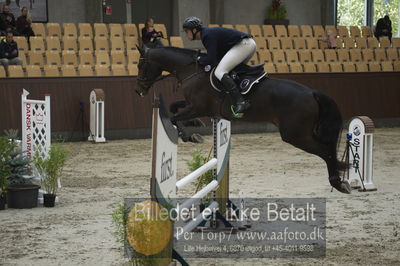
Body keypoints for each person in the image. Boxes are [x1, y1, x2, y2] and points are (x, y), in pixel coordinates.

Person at [182, 17, 255, 115]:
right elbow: (217, 56)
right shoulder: (207, 34)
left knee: (219, 72)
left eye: (187, 31)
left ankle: (240, 101)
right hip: (248, 44)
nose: (186, 34)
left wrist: (198, 59)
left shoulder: (206, 35)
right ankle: (241, 97)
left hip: (244, 45)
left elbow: (211, 58)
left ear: (194, 30)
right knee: (231, 71)